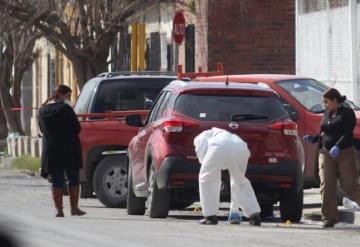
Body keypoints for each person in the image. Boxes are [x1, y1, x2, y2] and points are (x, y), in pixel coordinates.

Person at [304, 88, 360, 228]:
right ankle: (329, 217)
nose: (325, 105)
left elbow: (348, 133)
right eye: (324, 103)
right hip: (326, 153)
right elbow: (323, 131)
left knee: (349, 185)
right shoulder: (326, 114)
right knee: (327, 184)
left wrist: (338, 146)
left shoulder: (347, 113)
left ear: (335, 100)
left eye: (327, 102)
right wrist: (314, 138)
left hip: (345, 152)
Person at [194, 127, 261, 225]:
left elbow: (201, 151)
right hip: (241, 147)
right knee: (239, 181)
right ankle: (255, 216)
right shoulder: (227, 135)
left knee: (207, 177)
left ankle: (210, 216)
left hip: (220, 145)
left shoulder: (202, 136)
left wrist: (205, 163)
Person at [38, 85, 86, 217]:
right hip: (69, 149)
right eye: (68, 96)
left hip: (52, 151)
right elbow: (77, 128)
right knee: (73, 179)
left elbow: (42, 130)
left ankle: (59, 210)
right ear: (61, 95)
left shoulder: (42, 110)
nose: (69, 99)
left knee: (57, 180)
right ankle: (74, 208)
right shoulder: (66, 109)